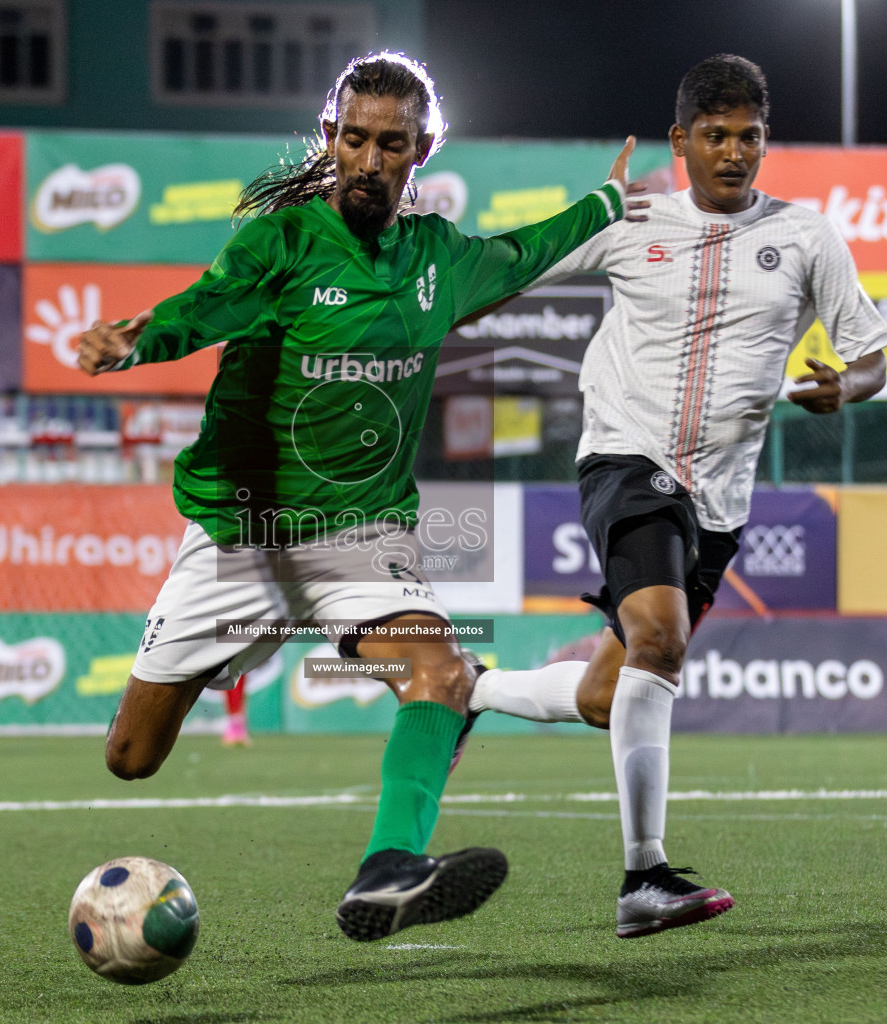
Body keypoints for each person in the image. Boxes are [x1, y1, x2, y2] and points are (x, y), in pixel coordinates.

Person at [75, 51, 646, 941]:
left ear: (422, 150)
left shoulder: (438, 260)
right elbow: (204, 306)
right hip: (242, 534)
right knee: (131, 758)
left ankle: (387, 867)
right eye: (353, 139)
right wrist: (135, 343)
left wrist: (606, 204)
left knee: (440, 669)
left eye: (391, 143)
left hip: (359, 533)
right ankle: (261, 664)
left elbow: (530, 250)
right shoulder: (284, 242)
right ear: (330, 139)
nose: (369, 160)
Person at [464, 54, 887, 938]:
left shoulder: (807, 238)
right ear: (679, 142)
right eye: (715, 136)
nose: (733, 153)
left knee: (601, 695)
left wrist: (843, 386)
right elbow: (499, 276)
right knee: (663, 638)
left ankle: (469, 688)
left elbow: (872, 357)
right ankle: (642, 878)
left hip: (719, 503)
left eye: (749, 137)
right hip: (624, 456)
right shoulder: (631, 221)